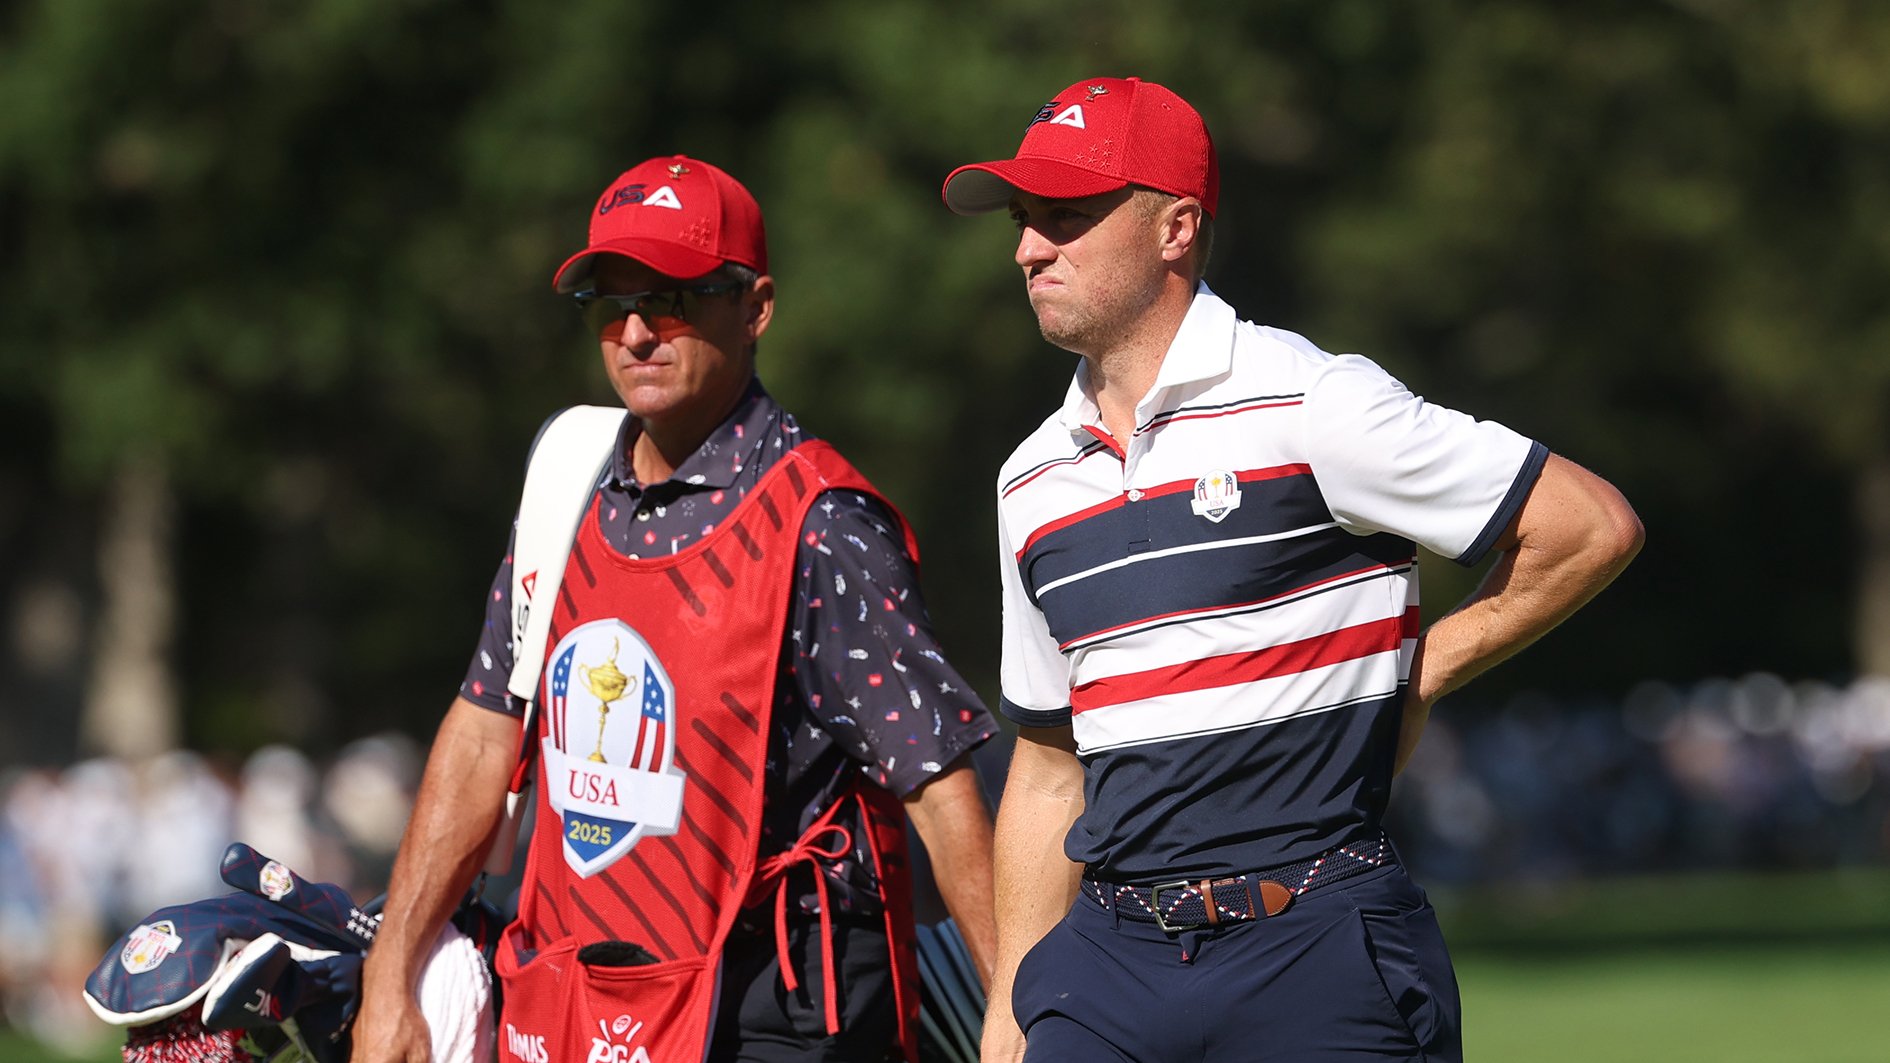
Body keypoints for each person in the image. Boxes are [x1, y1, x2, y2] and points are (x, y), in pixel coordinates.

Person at [940, 77, 1643, 1063]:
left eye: (1064, 217)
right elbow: (1052, 766)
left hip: (1315, 946)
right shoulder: (1032, 478)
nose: (1027, 249)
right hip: (1105, 965)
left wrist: (1424, 666)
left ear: (1176, 227)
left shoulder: (1317, 402)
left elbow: (1586, 527)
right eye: (1023, 222)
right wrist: (1010, 1010)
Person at [353, 155, 998, 1063]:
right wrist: (392, 977)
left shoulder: (823, 521)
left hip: (772, 1013)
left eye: (675, 299)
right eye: (610, 304)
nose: (637, 331)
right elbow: (484, 726)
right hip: (577, 997)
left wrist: (1016, 1018)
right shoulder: (567, 481)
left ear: (756, 307)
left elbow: (938, 787)